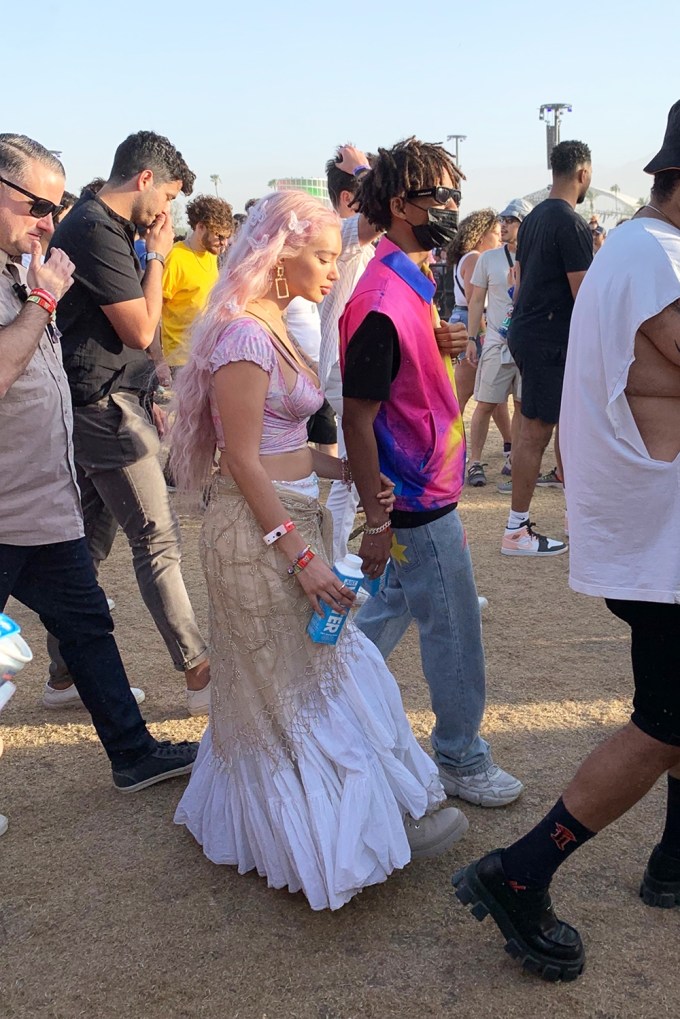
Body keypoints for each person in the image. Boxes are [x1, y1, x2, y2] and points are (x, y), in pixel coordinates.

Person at [170, 190, 467, 910]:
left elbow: (287, 447)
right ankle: (331, 840)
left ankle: (358, 818)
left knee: (306, 680)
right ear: (282, 253)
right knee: (292, 692)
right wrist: (300, 557)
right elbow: (241, 461)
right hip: (258, 536)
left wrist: (348, 475)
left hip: (286, 520)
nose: (336, 270)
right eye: (326, 256)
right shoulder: (245, 333)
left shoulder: (271, 322)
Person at [452, 100, 680, 980]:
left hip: (656, 531)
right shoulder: (652, 258)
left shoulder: (640, 251)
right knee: (666, 719)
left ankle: (671, 858)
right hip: (660, 539)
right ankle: (521, 871)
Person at [0, 133, 197, 793]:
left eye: (53, 207)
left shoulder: (22, 265)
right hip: (11, 500)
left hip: (40, 498)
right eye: (36, 206)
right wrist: (46, 300)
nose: (48, 224)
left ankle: (132, 751)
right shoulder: (57, 261)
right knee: (151, 539)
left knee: (87, 620)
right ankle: (189, 682)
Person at [339, 138, 523, 810]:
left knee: (388, 612)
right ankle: (460, 756)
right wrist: (380, 521)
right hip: (416, 499)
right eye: (437, 195)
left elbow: (401, 382)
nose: (450, 205)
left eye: (453, 192)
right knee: (451, 628)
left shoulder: (411, 278)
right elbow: (358, 415)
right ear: (397, 204)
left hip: (424, 485)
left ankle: (321, 705)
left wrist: (439, 342)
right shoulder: (387, 294)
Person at [47, 131, 211, 716]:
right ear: (144, 180)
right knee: (156, 539)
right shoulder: (94, 227)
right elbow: (140, 329)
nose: (167, 213)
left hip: (105, 399)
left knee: (88, 539)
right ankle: (200, 675)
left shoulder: (104, 227)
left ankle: (65, 674)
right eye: (166, 197)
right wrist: (160, 255)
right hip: (103, 407)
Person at [500, 140, 593, 557]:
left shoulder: (535, 217)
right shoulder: (570, 223)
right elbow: (584, 296)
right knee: (535, 432)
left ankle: (575, 519)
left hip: (530, 332)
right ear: (583, 174)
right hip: (549, 339)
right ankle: (516, 529)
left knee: (557, 429)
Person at [318, 144, 382, 561]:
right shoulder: (338, 234)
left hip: (353, 369)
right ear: (348, 199)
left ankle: (338, 562)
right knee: (371, 473)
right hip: (346, 370)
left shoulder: (348, 238)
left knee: (352, 478)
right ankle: (339, 564)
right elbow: (377, 217)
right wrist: (365, 168)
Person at [465, 199, 532, 487]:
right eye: (502, 220)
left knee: (521, 405)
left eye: (511, 220)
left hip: (526, 343)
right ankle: (474, 462)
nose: (503, 225)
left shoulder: (536, 257)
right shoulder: (488, 258)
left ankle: (514, 457)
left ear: (525, 225)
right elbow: (476, 300)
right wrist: (471, 338)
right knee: (485, 404)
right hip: (496, 341)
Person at [160, 193, 234, 375]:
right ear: (200, 227)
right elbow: (155, 309)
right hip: (180, 358)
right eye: (219, 236)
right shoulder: (176, 258)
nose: (224, 244)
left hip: (207, 352)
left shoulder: (211, 255)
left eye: (227, 238)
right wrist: (157, 358)